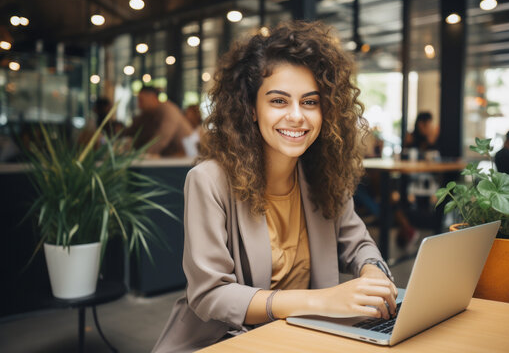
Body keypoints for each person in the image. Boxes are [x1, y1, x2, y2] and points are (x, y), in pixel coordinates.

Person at [152, 21, 397, 353]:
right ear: (251, 109)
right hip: (225, 342)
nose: (297, 116)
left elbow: (359, 245)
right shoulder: (209, 181)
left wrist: (373, 274)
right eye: (279, 101)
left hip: (304, 338)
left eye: (310, 102)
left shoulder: (323, 174)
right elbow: (209, 295)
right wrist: (321, 301)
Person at [123, 86, 193, 157]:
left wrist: (144, 154)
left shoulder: (168, 110)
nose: (139, 105)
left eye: (141, 100)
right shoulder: (147, 114)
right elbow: (135, 132)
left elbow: (163, 137)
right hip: (171, 159)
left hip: (185, 160)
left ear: (153, 97)